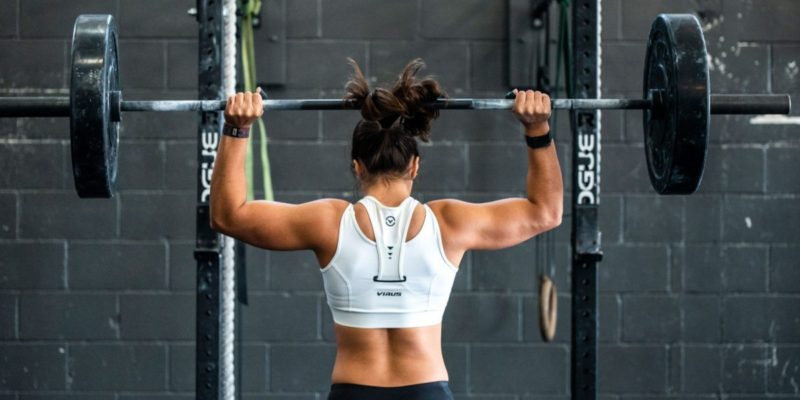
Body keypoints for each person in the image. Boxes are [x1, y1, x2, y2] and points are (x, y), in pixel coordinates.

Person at [210, 59, 563, 400]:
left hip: (354, 391)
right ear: (415, 165)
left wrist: (237, 129)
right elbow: (545, 212)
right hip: (428, 391)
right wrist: (538, 130)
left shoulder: (328, 222)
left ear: (356, 166)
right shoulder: (449, 223)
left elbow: (228, 216)